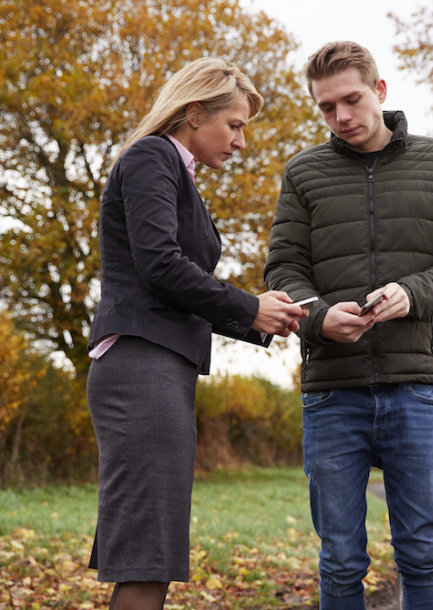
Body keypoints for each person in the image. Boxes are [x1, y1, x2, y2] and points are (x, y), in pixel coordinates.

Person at [264, 41, 433, 610]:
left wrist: (412, 294)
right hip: (331, 391)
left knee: (421, 552)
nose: (341, 116)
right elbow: (283, 268)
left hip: (413, 388)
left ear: (380, 92)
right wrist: (317, 316)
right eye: (326, 107)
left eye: (351, 99)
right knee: (340, 558)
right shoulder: (304, 173)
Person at [86, 57, 308, 610]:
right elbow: (161, 265)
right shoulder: (151, 156)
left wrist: (262, 319)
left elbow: (179, 281)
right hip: (141, 364)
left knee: (152, 549)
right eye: (233, 125)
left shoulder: (175, 172)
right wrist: (248, 308)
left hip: (160, 365)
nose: (240, 142)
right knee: (147, 553)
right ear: (192, 113)